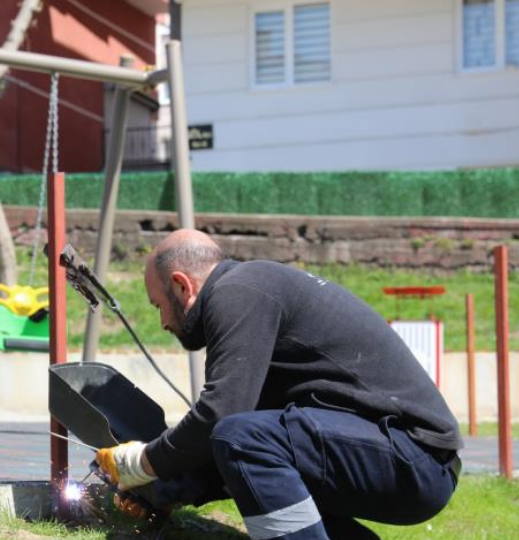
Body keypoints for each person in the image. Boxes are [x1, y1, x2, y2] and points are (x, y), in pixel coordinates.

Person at [95, 229, 462, 539]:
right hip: (401, 455)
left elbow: (222, 416)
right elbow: (232, 444)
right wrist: (164, 489)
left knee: (241, 437)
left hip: (415, 456)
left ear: (181, 286)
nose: (162, 322)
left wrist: (142, 462)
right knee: (247, 443)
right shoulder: (251, 291)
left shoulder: (237, 291)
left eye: (157, 305)